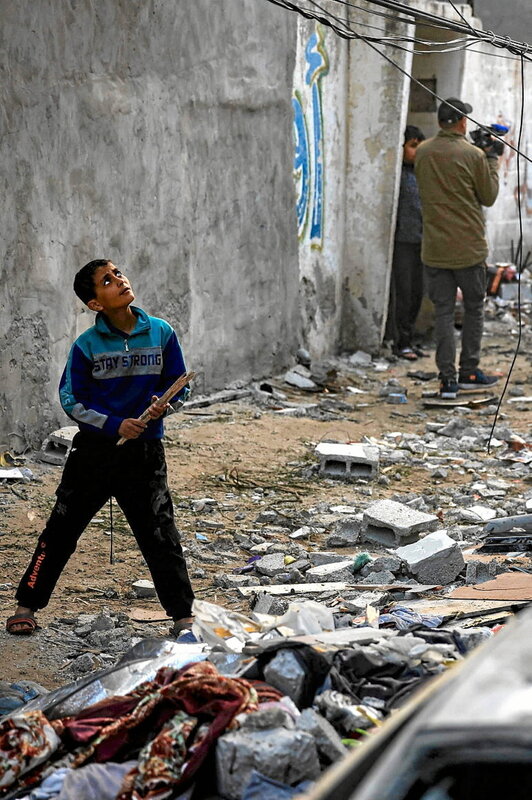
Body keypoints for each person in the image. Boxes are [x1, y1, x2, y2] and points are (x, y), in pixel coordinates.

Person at [6, 260, 195, 637]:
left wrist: (167, 404)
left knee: (160, 533)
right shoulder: (86, 346)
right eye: (107, 281)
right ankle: (26, 604)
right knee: (61, 529)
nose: (120, 281)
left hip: (145, 454)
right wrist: (113, 424)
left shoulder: (161, 332)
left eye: (118, 273)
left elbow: (180, 383)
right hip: (93, 455)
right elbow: (71, 400)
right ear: (95, 304)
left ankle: (183, 615)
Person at [415, 97, 500, 399]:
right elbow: (488, 196)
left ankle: (447, 379)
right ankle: (470, 372)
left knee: (443, 314)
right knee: (474, 309)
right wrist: (491, 159)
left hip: (435, 249)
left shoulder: (422, 152)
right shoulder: (473, 155)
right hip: (468, 249)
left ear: (441, 122)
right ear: (463, 122)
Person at [387, 124, 426, 361]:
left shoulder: (420, 173)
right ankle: (400, 342)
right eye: (413, 146)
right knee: (403, 293)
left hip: (421, 242)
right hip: (402, 242)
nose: (417, 152)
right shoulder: (397, 176)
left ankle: (409, 339)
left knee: (416, 294)